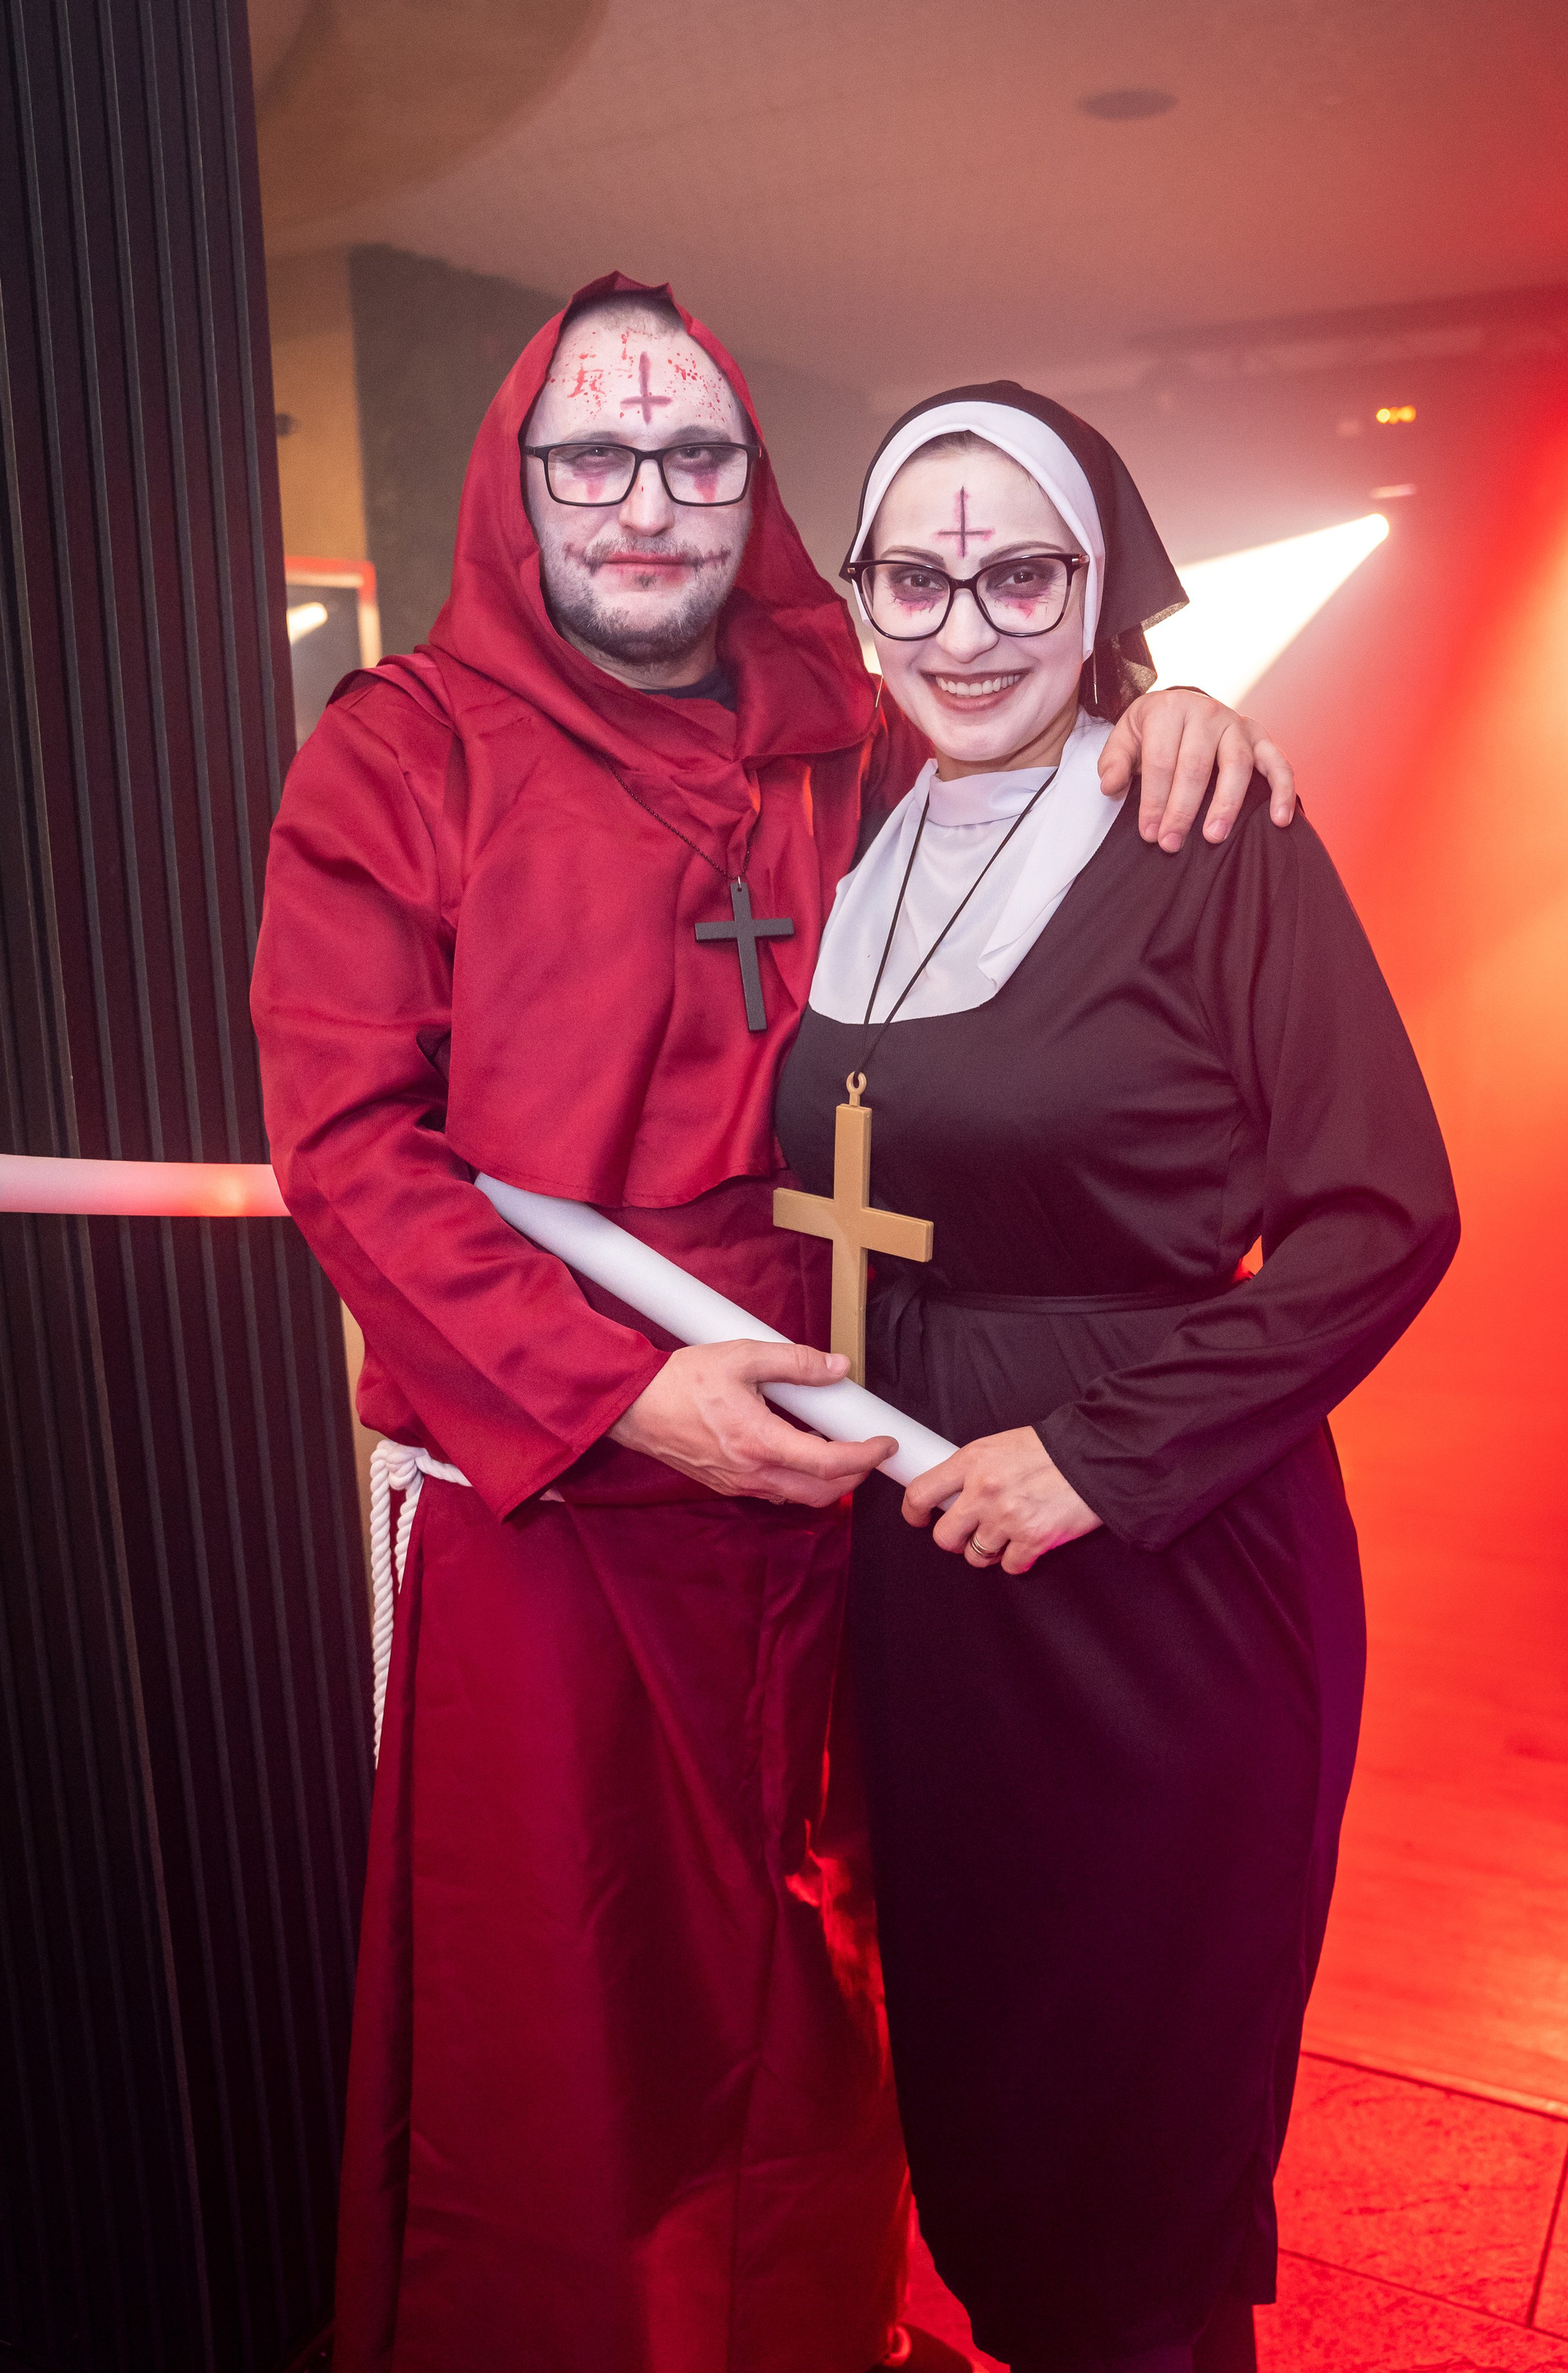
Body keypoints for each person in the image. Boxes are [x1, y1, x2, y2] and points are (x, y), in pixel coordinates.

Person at [252, 279, 1294, 2373]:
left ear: (757, 491)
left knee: (847, 1984)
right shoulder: (403, 752)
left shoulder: (857, 730)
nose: (647, 501)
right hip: (566, 1501)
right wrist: (632, 1395)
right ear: (517, 486)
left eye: (696, 456)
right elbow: (349, 1145)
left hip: (861, 1478)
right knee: (573, 2025)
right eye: (595, 456)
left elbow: (1038, 794)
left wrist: (1163, 711)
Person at [774, 386, 1459, 2373]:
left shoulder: (1204, 831)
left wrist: (1093, 1456)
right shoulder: (840, 832)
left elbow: (1382, 1217)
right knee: (987, 2096)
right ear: (863, 599)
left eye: (1024, 576)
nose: (966, 626)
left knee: (1136, 2145)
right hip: (921, 1573)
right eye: (919, 577)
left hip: (1159, 1576)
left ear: (1103, 595)